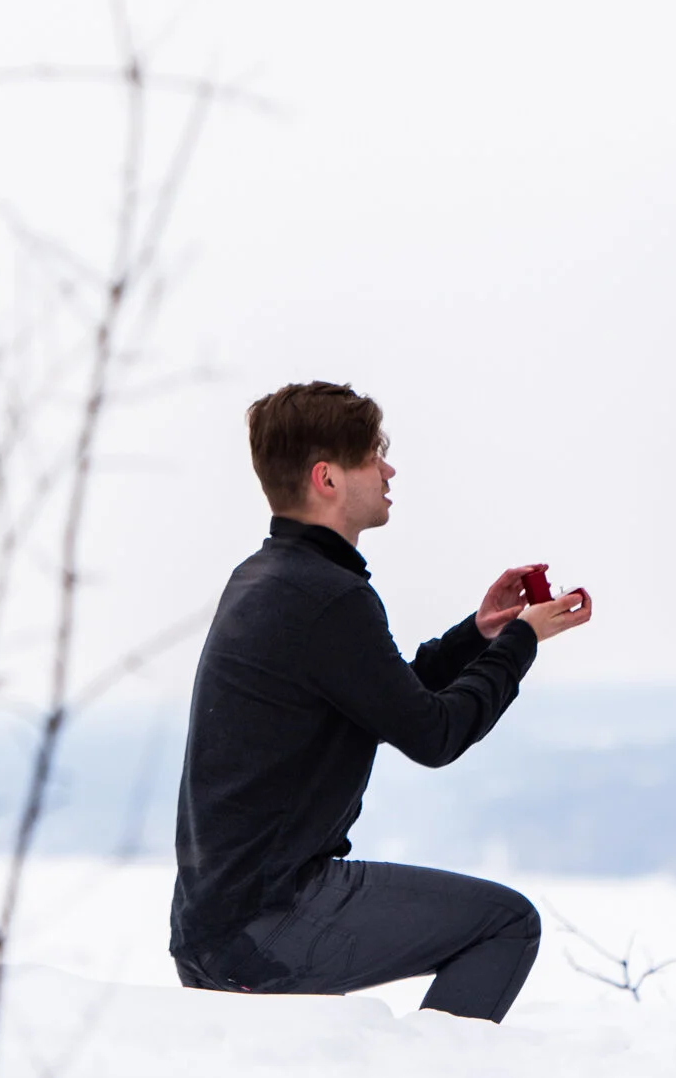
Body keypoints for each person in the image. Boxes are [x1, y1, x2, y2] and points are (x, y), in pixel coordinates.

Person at [170, 379, 591, 1021]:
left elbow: (391, 694)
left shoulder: (268, 578)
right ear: (328, 478)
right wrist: (524, 642)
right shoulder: (325, 597)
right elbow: (436, 736)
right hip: (268, 926)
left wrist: (479, 635)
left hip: (214, 926)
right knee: (506, 924)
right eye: (373, 454)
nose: (389, 469)